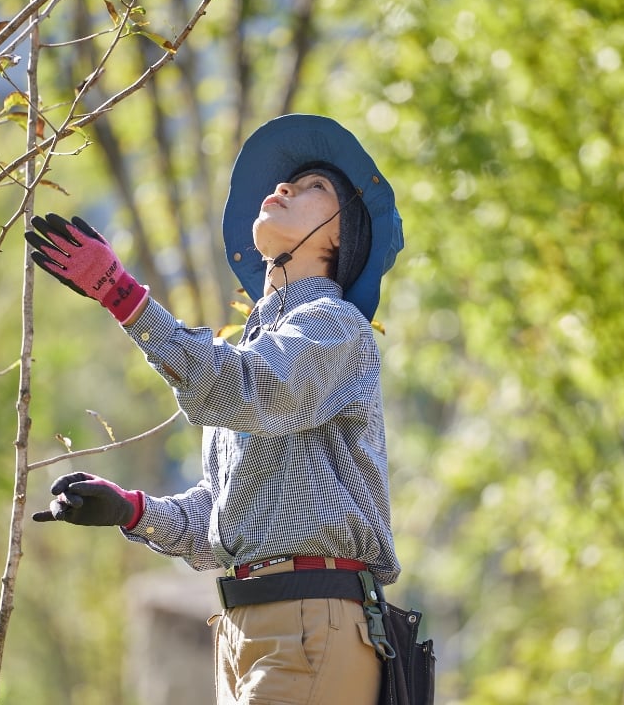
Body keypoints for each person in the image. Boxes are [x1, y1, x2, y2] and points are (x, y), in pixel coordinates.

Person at [26, 113, 405, 705]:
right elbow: (220, 521)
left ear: (339, 237)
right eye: (289, 183)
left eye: (314, 189)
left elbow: (243, 387)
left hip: (310, 623)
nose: (283, 189)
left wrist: (122, 295)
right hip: (248, 627)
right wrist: (131, 510)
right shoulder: (263, 345)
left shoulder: (333, 327)